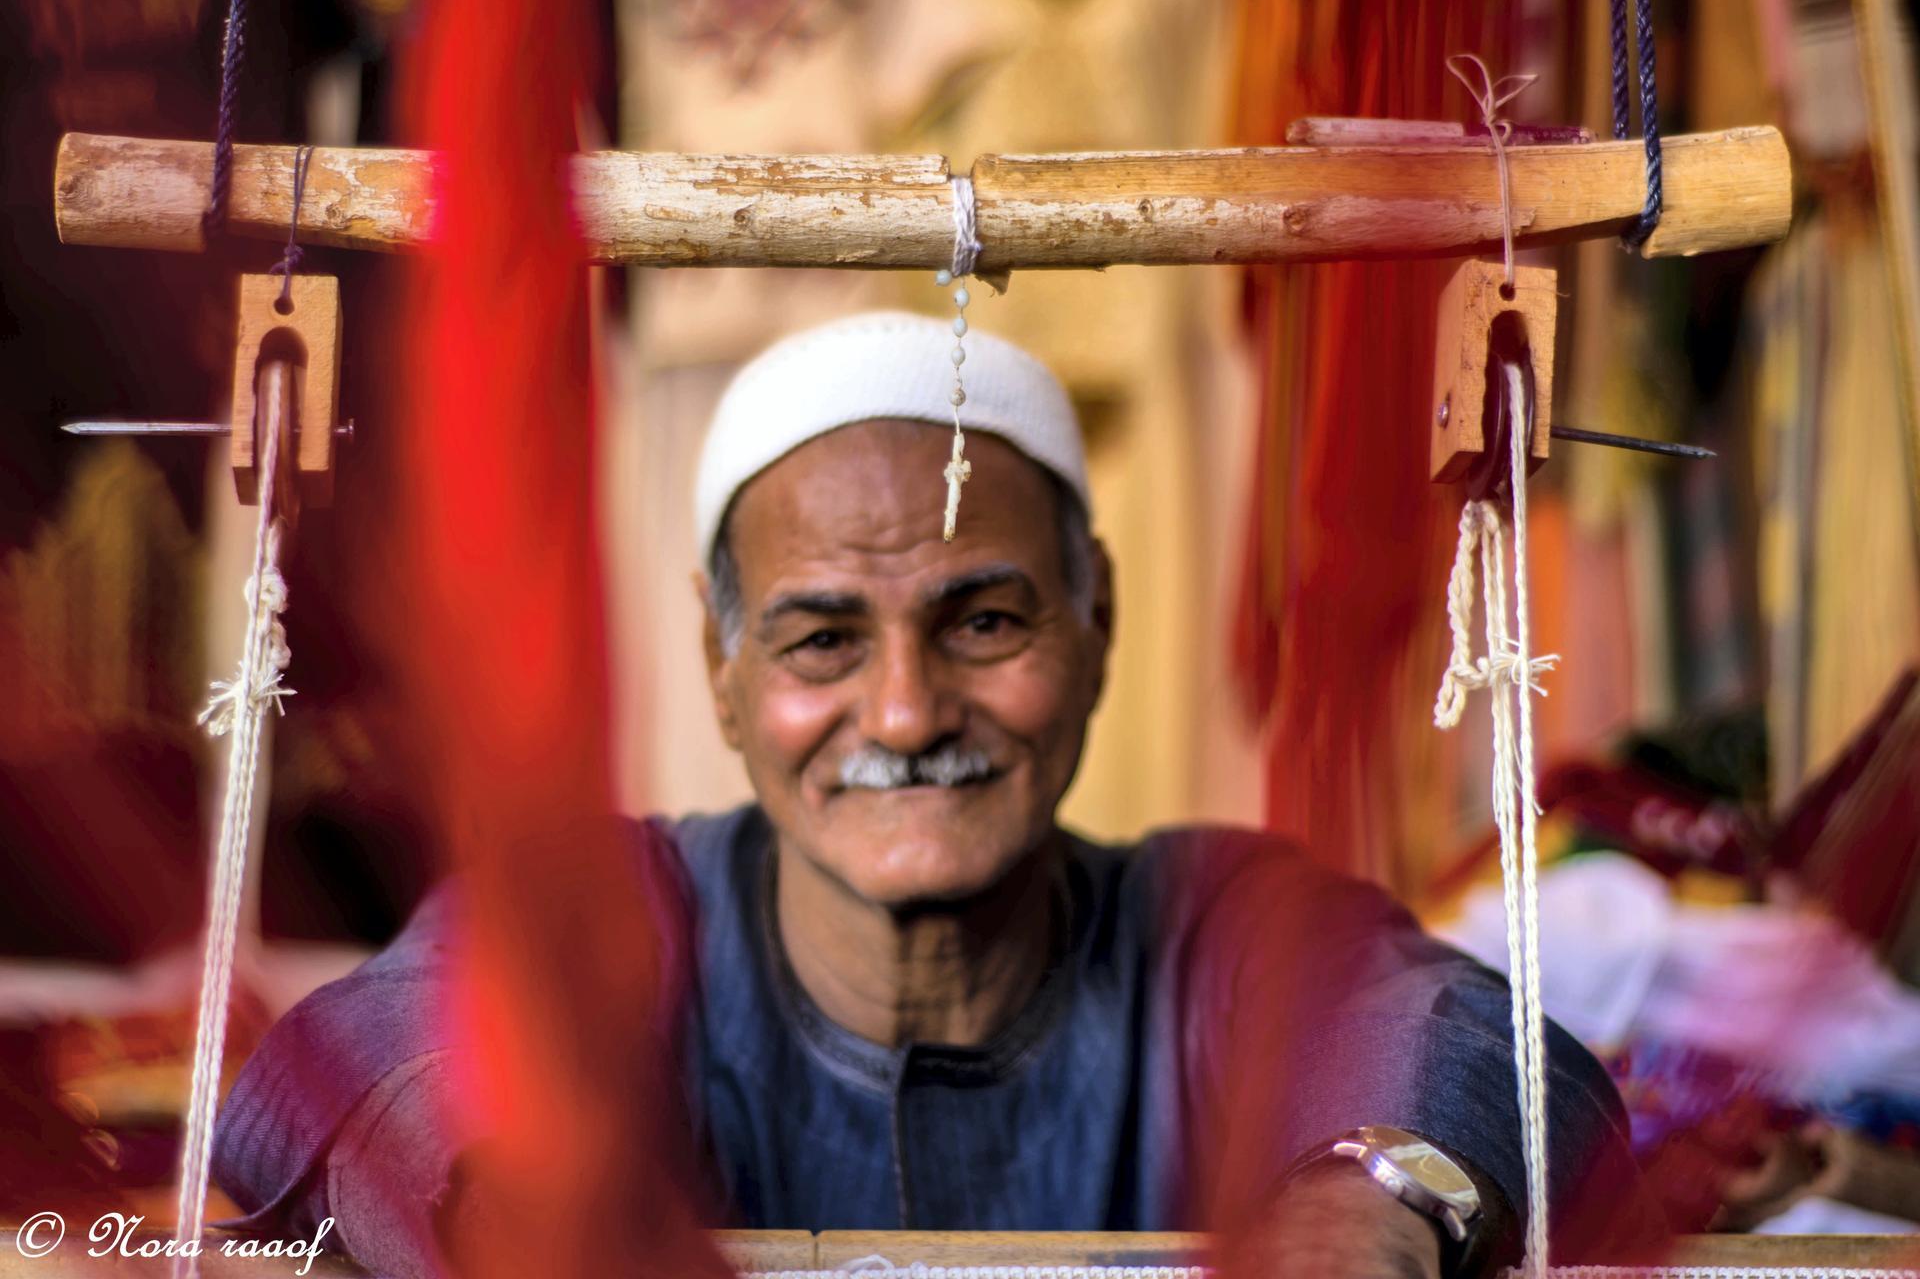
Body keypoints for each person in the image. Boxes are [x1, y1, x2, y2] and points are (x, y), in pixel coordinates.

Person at [212, 312, 1658, 1278]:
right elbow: (369, 1058)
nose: (905, 712)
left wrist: (1370, 1198)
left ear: (1096, 628)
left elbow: (1466, 1045)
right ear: (723, 672)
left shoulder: (1212, 922)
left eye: (984, 623)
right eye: (822, 638)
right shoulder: (611, 914)